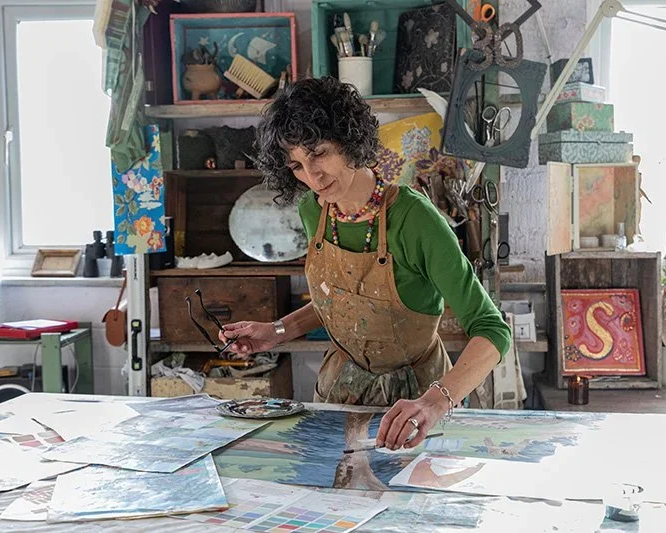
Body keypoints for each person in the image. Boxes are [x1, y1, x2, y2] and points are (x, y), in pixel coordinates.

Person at [219, 77, 511, 452]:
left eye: (319, 153)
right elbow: (343, 301)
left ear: (349, 140)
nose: (313, 177)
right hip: (339, 392)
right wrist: (276, 331)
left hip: (415, 404)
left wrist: (435, 402)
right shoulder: (314, 210)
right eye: (297, 165)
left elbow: (491, 329)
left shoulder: (415, 219)